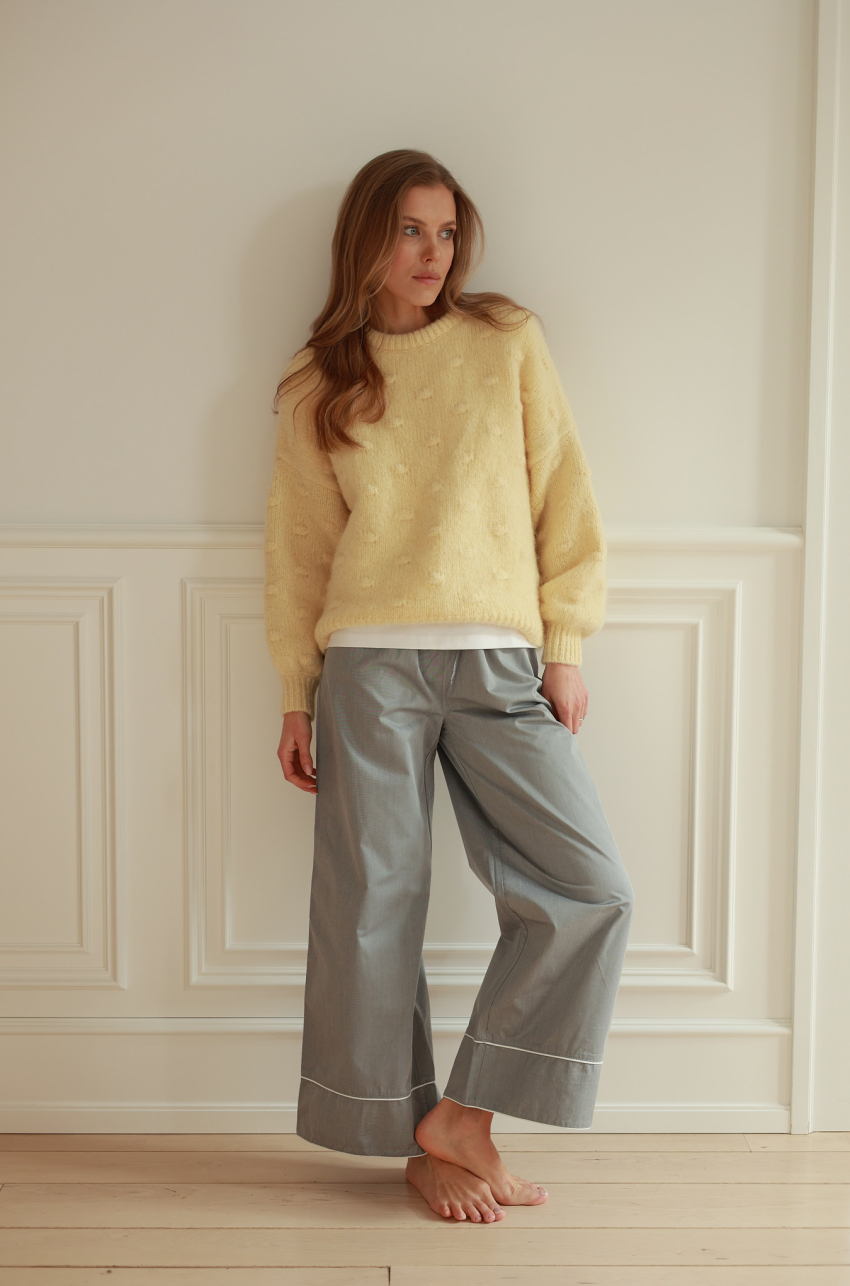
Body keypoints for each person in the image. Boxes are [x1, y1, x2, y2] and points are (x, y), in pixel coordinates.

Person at [263, 148, 635, 1225]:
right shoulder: (318, 380)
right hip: (367, 668)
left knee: (590, 889)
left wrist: (565, 641)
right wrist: (296, 691)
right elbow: (298, 549)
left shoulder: (503, 341)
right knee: (370, 913)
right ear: (366, 242)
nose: (433, 252)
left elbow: (563, 492)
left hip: (497, 659)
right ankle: (417, 1149)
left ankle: (462, 1117)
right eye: (410, 230)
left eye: (446, 231)